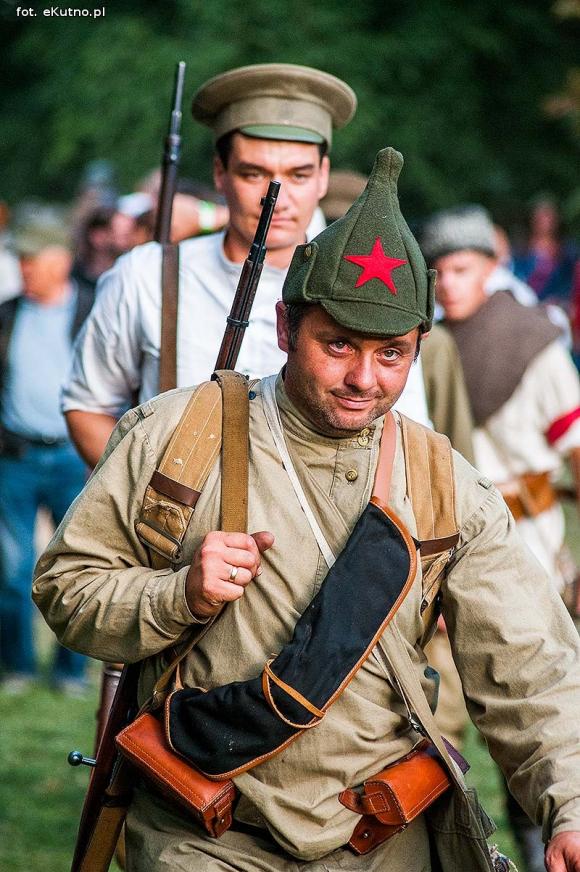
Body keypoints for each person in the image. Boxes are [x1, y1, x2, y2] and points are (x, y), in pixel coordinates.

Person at [34, 148, 580, 871]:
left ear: (419, 348)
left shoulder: (444, 483)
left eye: (392, 354)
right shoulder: (178, 435)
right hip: (204, 831)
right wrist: (178, 594)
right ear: (286, 329)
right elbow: (67, 590)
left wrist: (571, 804)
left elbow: (530, 663)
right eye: (338, 345)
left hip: (378, 836)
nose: (363, 379)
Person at [62, 62, 430, 470]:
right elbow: (86, 406)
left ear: (324, 175)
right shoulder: (148, 275)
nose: (278, 198)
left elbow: (405, 429)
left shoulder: (372, 285)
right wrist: (152, 496)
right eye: (254, 174)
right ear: (220, 174)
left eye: (299, 175)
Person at [421, 203, 580, 872]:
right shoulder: (416, 342)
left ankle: (548, 850)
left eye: (462, 268)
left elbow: (575, 449)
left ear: (490, 267)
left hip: (528, 555)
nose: (450, 284)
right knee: (433, 727)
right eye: (439, 272)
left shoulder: (533, 343)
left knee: (529, 716)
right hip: (437, 558)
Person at [0, 213, 93, 694]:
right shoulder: (7, 313)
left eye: (31, 258)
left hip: (74, 459)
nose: (24, 267)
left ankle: (70, 672)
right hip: (14, 459)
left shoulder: (92, 309)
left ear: (59, 259)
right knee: (11, 571)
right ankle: (16, 665)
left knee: (76, 569)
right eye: (20, 258)